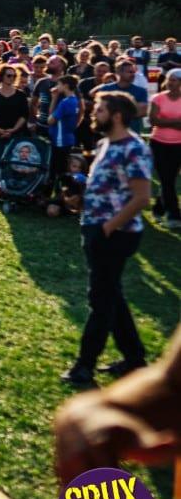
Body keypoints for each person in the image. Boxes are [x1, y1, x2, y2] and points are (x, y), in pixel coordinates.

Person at [61, 92, 153, 388]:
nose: (93, 114)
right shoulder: (102, 144)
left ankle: (84, 366)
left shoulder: (133, 149)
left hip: (116, 234)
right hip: (94, 226)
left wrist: (108, 227)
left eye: (99, 110)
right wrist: (79, 202)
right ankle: (135, 359)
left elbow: (142, 198)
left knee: (100, 299)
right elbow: (103, 188)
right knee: (112, 294)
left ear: (115, 115)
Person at [0, 63, 30, 171]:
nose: (11, 78)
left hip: (15, 133)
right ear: (1, 76)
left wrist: (13, 130)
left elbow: (24, 115)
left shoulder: (21, 95)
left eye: (13, 76)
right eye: (8, 75)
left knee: (12, 161)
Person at [149, 68, 181, 231]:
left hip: (178, 145)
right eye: (169, 79)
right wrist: (176, 122)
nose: (171, 82)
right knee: (166, 179)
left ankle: (158, 208)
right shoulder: (158, 98)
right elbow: (153, 120)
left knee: (169, 179)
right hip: (158, 143)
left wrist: (165, 121)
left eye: (174, 80)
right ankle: (174, 215)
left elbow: (160, 120)